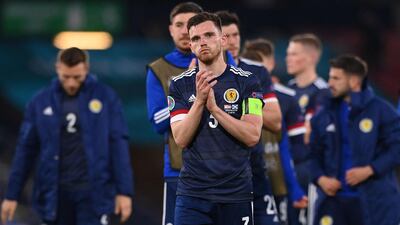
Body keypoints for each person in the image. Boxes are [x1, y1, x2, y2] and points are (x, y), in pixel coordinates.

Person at [0, 47, 134, 225]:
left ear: (86, 69)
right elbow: (26, 150)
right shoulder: (40, 102)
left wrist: (124, 191)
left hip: (94, 194)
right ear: (58, 69)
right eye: (66, 77)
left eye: (77, 77)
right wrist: (12, 195)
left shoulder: (106, 98)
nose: (71, 83)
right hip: (54, 194)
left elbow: (118, 146)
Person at [169, 12, 264, 225]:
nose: (202, 42)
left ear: (223, 40)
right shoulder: (179, 85)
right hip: (193, 195)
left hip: (235, 193)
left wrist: (215, 109)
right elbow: (181, 139)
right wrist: (200, 101)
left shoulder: (248, 83)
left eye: (209, 35)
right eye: (195, 39)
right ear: (191, 46)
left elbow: (252, 135)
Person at [310, 54, 400, 225]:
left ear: (354, 82)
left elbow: (396, 149)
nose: (330, 83)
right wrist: (321, 178)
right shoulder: (324, 114)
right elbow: (314, 154)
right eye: (330, 77)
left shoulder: (382, 111)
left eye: (336, 78)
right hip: (333, 202)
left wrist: (370, 170)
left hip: (373, 201)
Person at [145, 2, 203, 225]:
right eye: (178, 25)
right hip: (179, 171)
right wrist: (187, 89)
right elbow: (158, 122)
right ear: (170, 30)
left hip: (221, 170)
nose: (184, 30)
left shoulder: (222, 64)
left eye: (190, 24)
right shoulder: (158, 69)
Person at [242, 38, 308, 224]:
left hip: (277, 180)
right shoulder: (233, 94)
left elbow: (288, 146)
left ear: (270, 64)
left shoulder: (283, 99)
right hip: (244, 180)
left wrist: (294, 187)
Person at [285, 33, 330, 225]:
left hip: (308, 169)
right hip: (284, 167)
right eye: (288, 54)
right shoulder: (285, 90)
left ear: (311, 57)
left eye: (294, 54)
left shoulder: (323, 92)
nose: (287, 58)